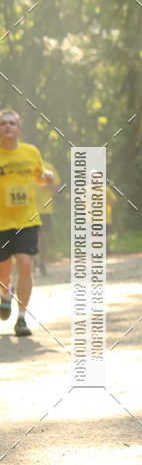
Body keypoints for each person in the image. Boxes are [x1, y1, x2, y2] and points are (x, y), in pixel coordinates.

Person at [0, 109, 54, 336]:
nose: (7, 127)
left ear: (19, 129)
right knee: (3, 272)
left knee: (25, 263)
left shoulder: (30, 152)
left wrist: (47, 177)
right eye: (3, 123)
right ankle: (5, 294)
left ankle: (22, 318)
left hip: (27, 219)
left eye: (12, 123)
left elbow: (39, 178)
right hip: (1, 222)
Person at [34, 157, 61, 274]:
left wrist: (45, 183)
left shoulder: (48, 167)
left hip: (45, 209)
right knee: (31, 237)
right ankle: (32, 261)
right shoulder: (24, 166)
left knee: (44, 238)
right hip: (26, 209)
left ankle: (42, 263)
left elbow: (56, 188)